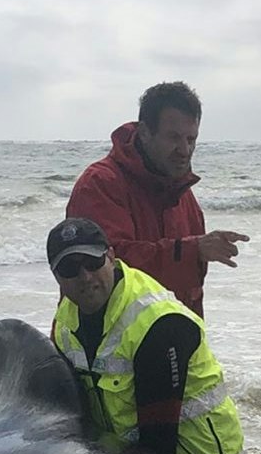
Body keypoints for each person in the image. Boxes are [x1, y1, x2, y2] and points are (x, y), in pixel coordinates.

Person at [47, 217, 259, 454]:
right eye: (70, 269)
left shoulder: (158, 322)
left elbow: (158, 444)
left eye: (92, 262)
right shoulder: (65, 321)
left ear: (110, 256)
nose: (85, 276)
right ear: (56, 276)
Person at [66, 82, 247, 318]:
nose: (184, 149)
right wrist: (192, 251)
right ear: (144, 132)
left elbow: (191, 293)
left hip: (171, 341)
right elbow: (108, 270)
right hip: (106, 345)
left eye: (191, 139)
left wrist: (193, 343)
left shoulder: (184, 195)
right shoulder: (99, 184)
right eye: (173, 137)